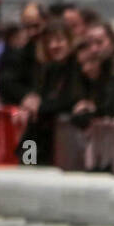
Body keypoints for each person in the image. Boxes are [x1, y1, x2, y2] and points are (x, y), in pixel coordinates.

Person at [18, 21, 79, 164]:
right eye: (49, 42)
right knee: (27, 165)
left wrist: (38, 107)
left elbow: (71, 99)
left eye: (59, 40)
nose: (53, 46)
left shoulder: (77, 67)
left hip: (67, 146)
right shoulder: (49, 69)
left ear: (70, 41)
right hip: (40, 141)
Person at [0, 1, 48, 107]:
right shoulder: (20, 52)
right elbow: (7, 81)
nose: (31, 32)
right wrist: (26, 95)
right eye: (27, 27)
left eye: (36, 26)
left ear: (46, 22)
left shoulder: (56, 50)